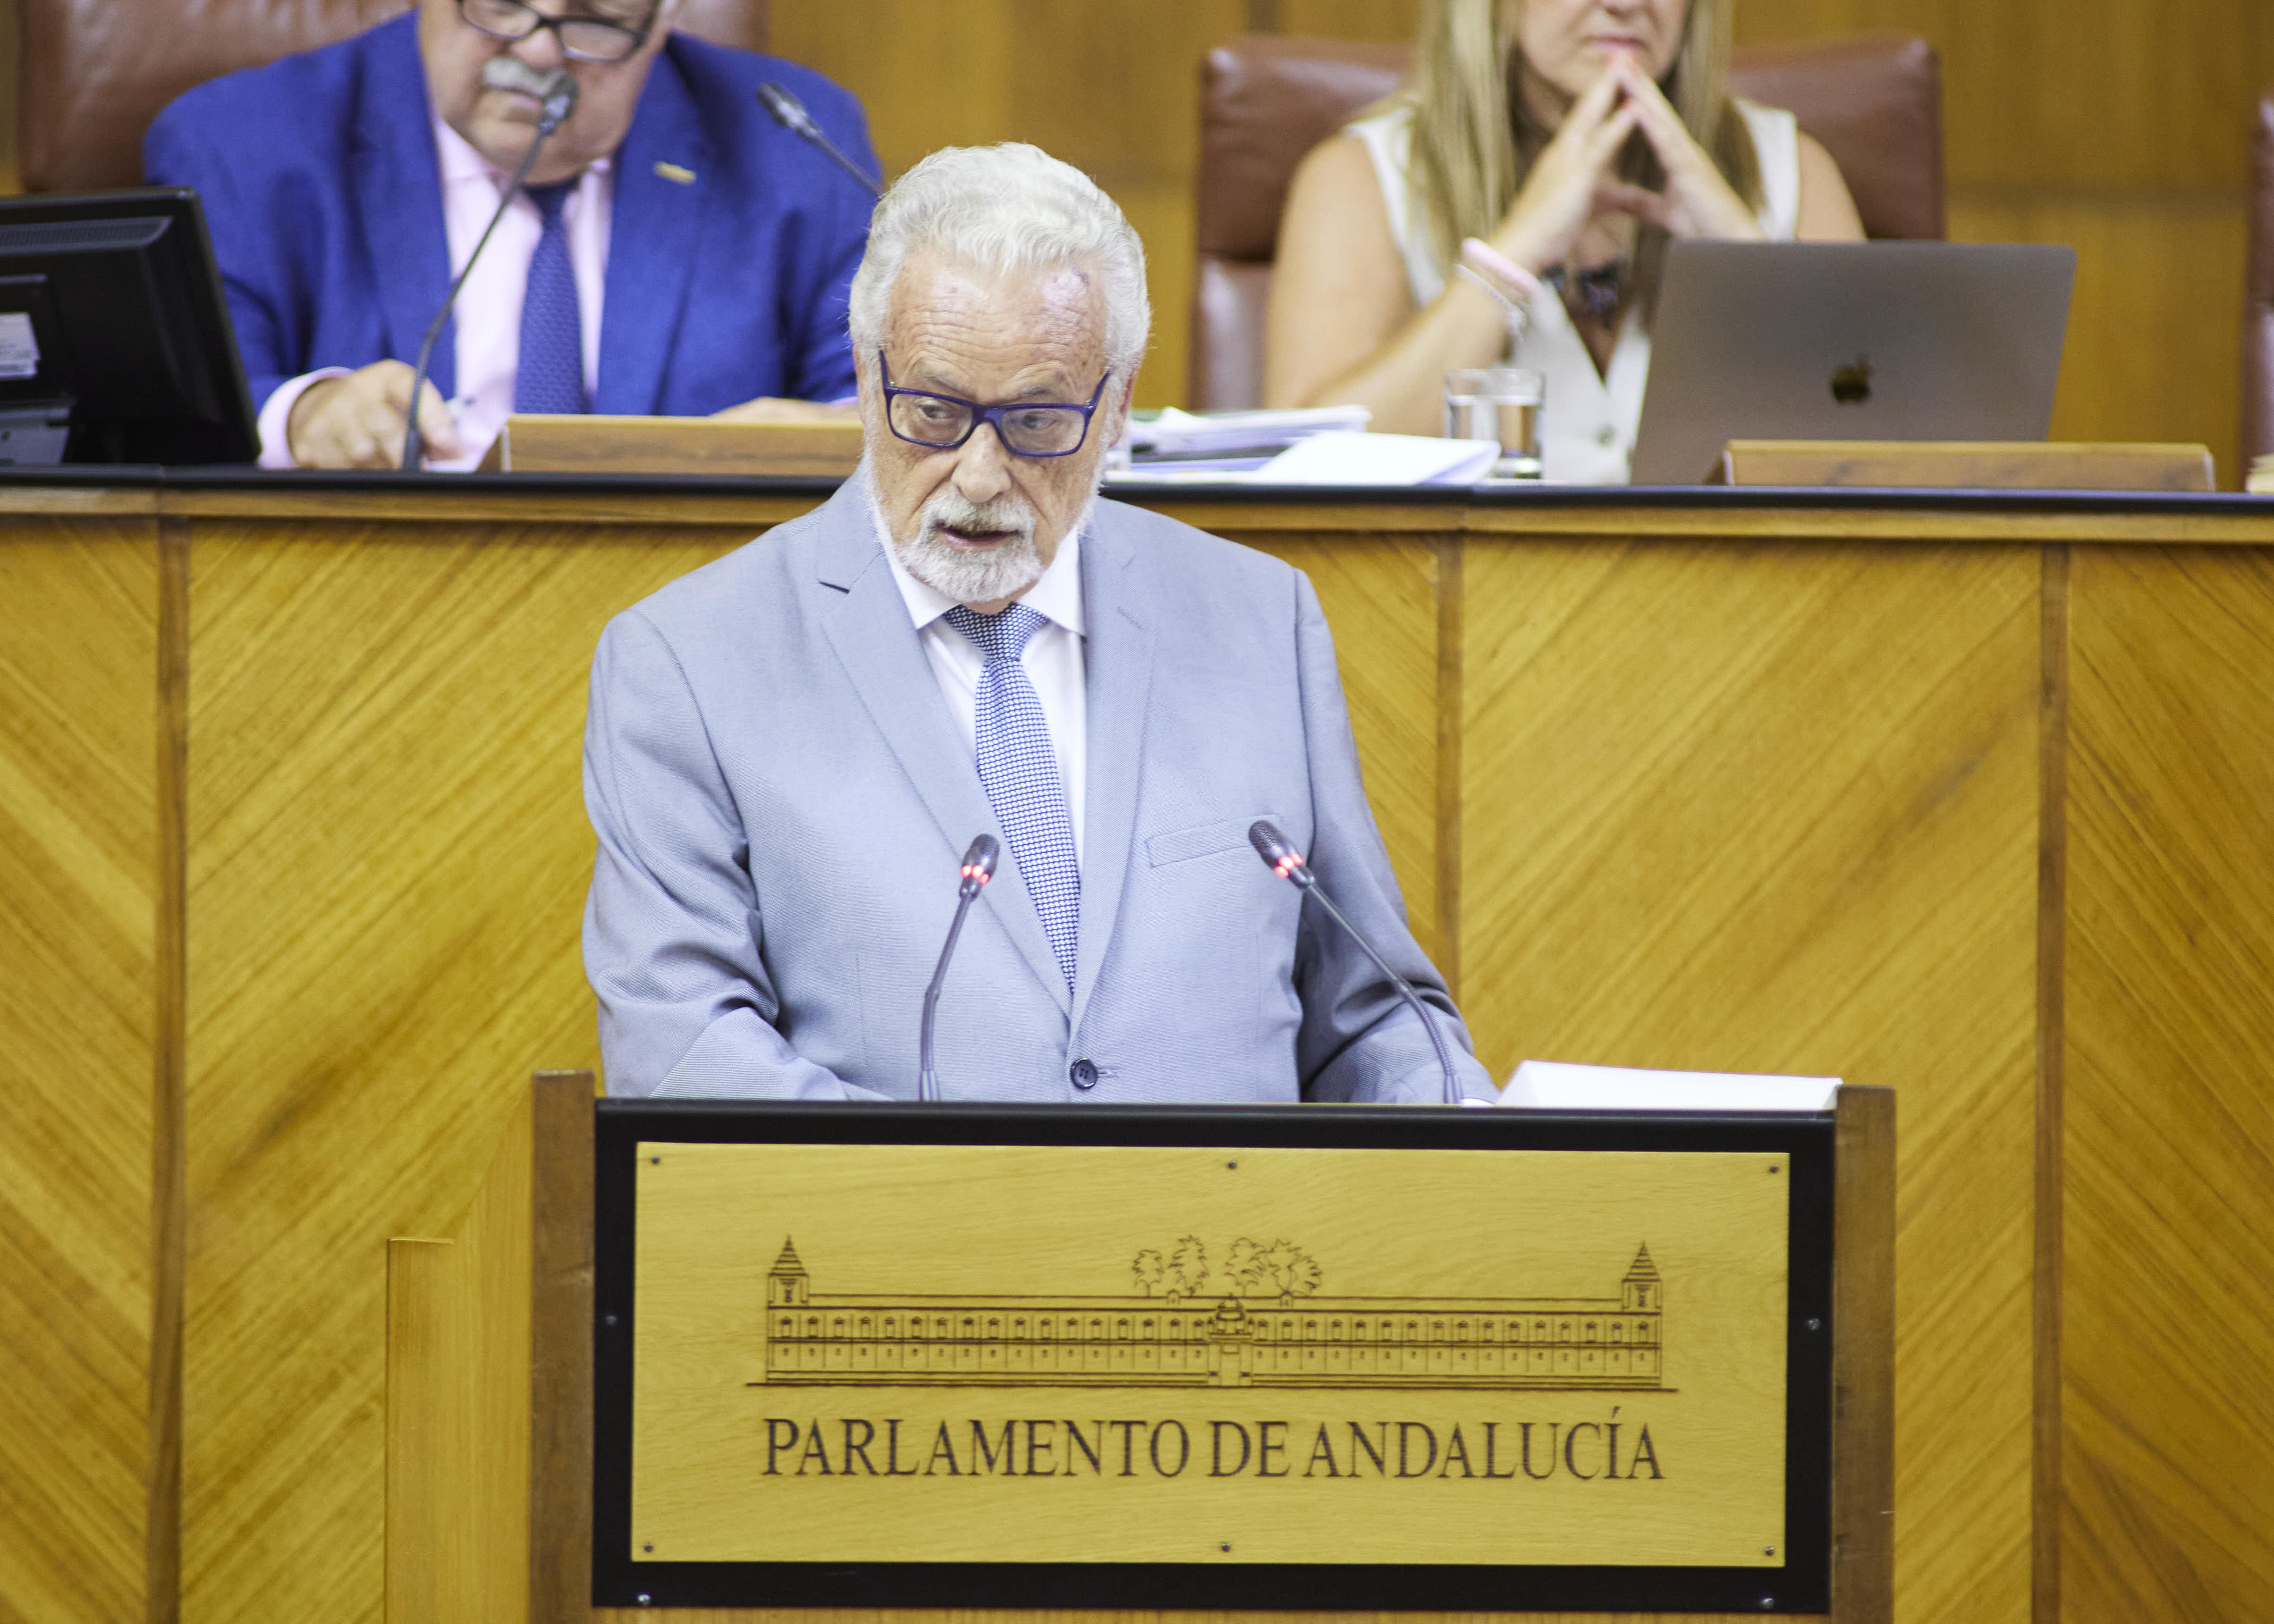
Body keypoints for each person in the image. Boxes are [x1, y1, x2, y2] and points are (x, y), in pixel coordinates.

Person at [580, 142, 1494, 1104]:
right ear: (862, 374)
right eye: (931, 413)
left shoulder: (1262, 620)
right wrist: (993, 1210)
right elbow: (680, 1049)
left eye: (1036, 421)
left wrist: (1457, 1116)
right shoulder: (689, 659)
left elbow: (1374, 1013)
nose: (978, 476)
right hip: (896, 1247)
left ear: (1116, 407)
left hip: (1226, 1240)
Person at [144, 0, 874, 470]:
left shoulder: (794, 144)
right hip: (359, 616)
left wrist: (824, 433)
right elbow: (178, 416)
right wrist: (306, 416)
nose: (537, 52)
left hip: (690, 609)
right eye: (499, 5)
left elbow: (882, 404)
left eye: (592, 19)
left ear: (661, 23)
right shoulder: (242, 144)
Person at [1266, 0, 1865, 482]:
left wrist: (1740, 254)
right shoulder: (1367, 174)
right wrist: (1510, 257)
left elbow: (1880, 442)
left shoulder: (1789, 168)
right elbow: (1306, 467)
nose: (1626, 6)